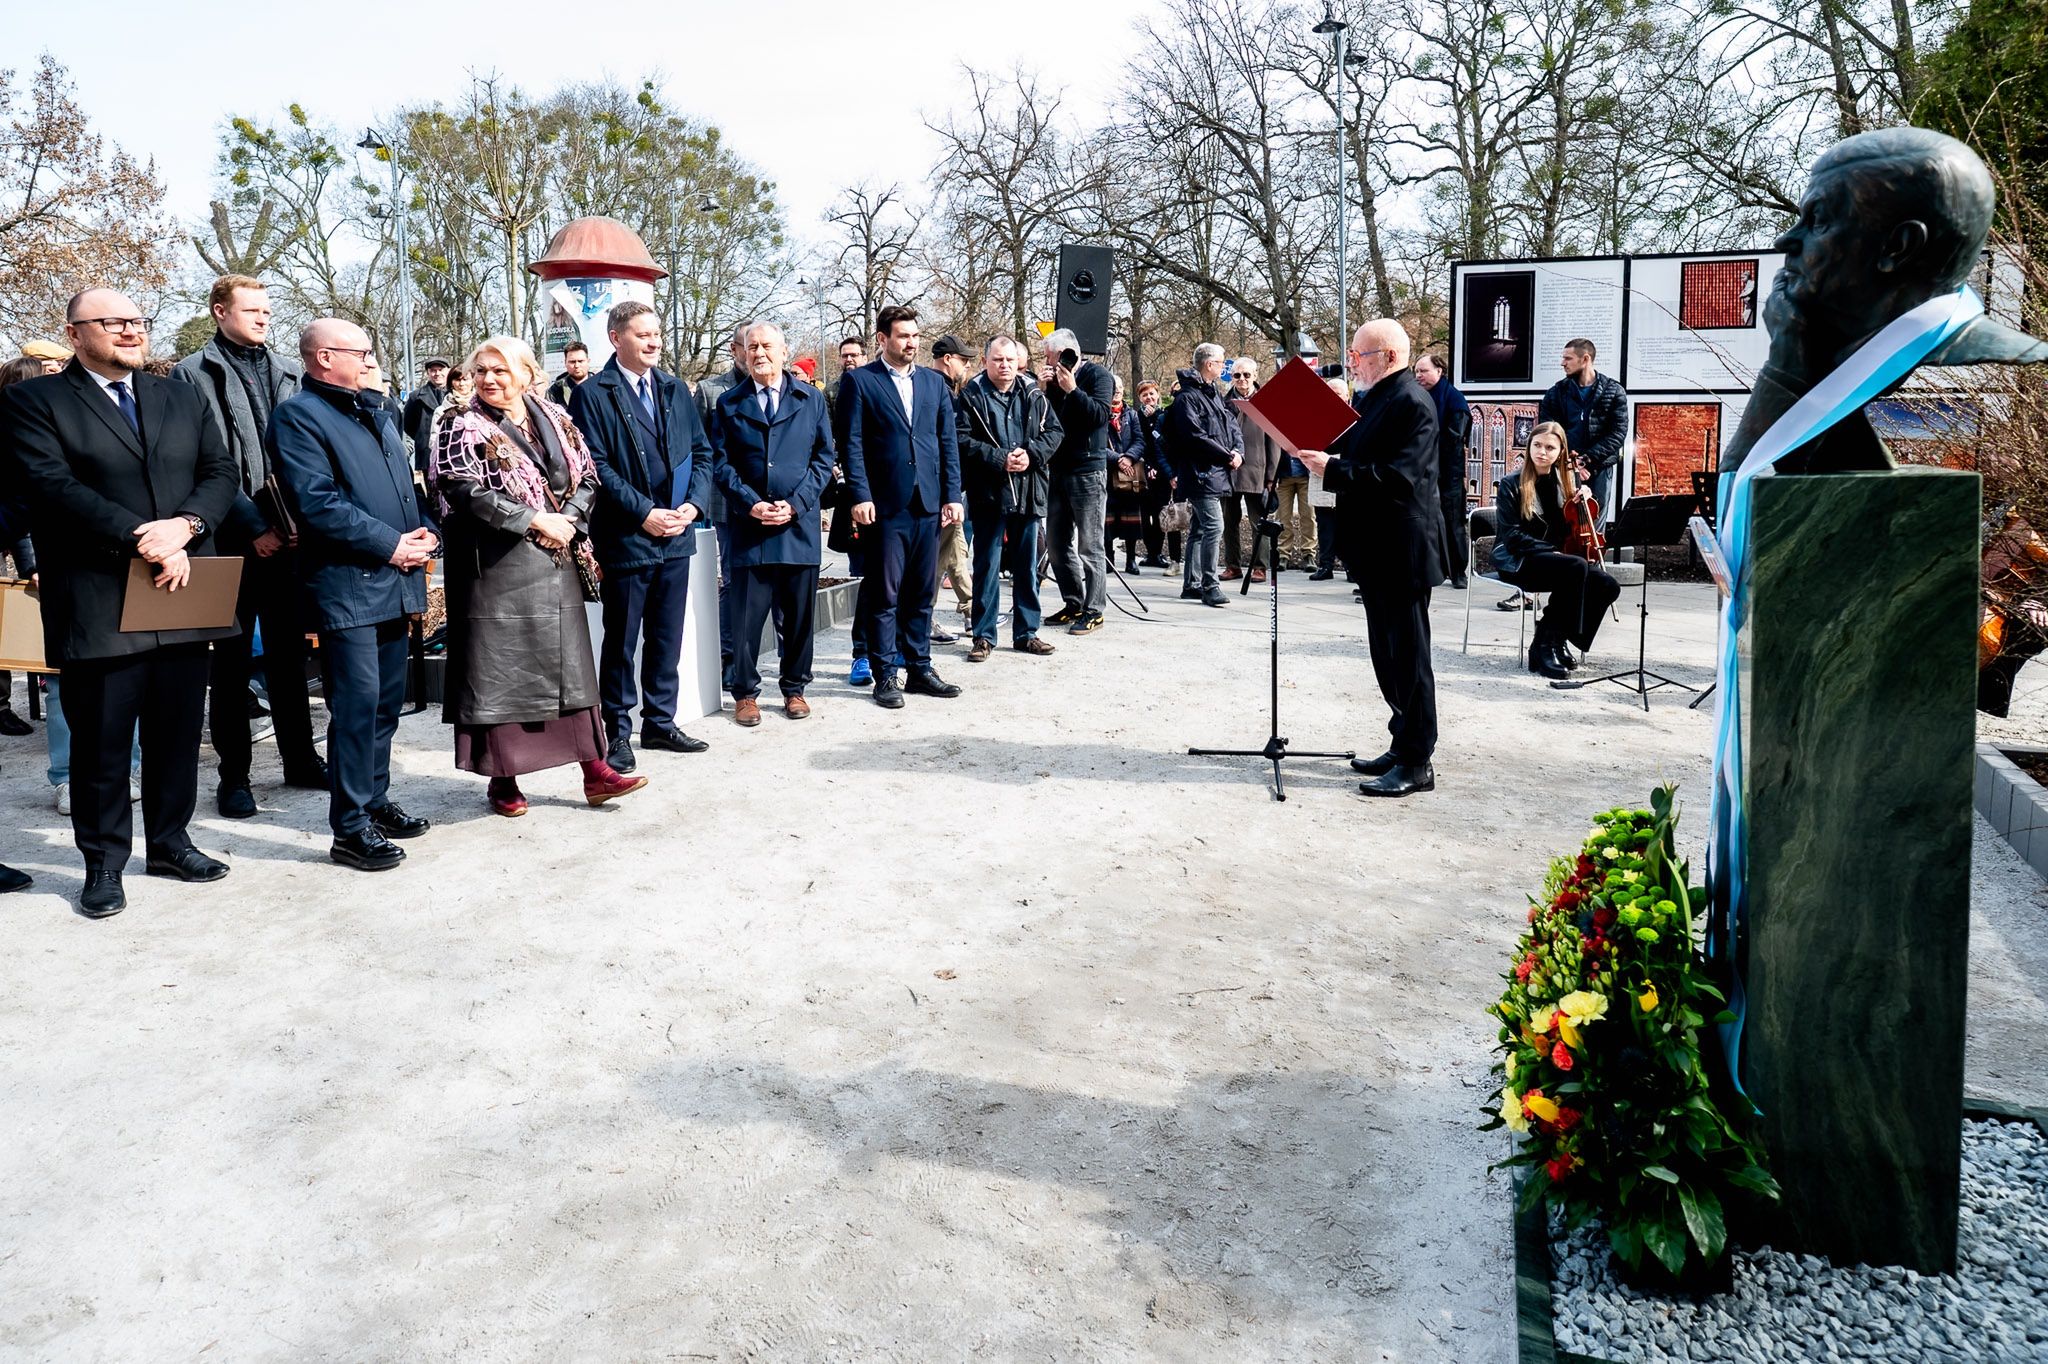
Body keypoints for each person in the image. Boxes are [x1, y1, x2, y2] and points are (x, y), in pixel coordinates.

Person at [0, 288, 242, 917]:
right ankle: (103, 864)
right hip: (99, 594)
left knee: (178, 732)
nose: (131, 331)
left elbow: (220, 473)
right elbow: (51, 487)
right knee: (103, 742)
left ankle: (169, 842)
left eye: (137, 321)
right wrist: (146, 538)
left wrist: (184, 528)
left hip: (183, 585)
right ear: (76, 333)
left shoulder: (178, 394)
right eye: (113, 322)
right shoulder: (34, 401)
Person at [425, 336, 645, 817]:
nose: (489, 379)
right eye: (481, 370)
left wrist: (567, 519)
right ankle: (503, 779)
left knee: (572, 672)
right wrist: (532, 520)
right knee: (500, 676)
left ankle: (595, 770)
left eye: (501, 371)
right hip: (497, 568)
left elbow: (588, 478)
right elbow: (461, 490)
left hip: (555, 559)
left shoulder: (557, 417)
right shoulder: (458, 425)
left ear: (526, 374)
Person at [268, 320, 438, 869]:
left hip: (397, 575)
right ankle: (349, 827)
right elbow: (317, 503)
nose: (370, 360)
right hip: (349, 584)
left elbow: (405, 488)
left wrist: (426, 529)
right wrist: (392, 544)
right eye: (360, 352)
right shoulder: (299, 416)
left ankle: (375, 798)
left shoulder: (377, 412)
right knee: (357, 704)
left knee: (387, 700)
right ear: (323, 357)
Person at [171, 274, 326, 818]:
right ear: (219, 311)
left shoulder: (289, 369)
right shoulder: (192, 374)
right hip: (228, 541)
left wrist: (297, 523)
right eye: (252, 310)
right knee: (232, 664)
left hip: (292, 536)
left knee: (289, 657)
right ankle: (233, 777)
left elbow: (308, 451)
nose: (264, 318)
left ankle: (301, 759)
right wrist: (251, 525)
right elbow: (200, 459)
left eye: (267, 310)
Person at [1298, 319, 1445, 798]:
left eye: (1360, 354)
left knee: (1408, 657)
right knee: (1386, 654)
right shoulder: (1375, 398)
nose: (1353, 361)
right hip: (1377, 551)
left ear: (1389, 355)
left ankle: (1418, 760)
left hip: (1402, 550)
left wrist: (1335, 468)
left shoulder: (1412, 402)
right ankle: (1401, 741)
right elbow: (1360, 448)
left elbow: (1401, 477)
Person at [569, 302, 713, 773]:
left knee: (667, 637)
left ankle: (660, 722)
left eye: (657, 333)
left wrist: (693, 505)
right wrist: (645, 513)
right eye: (642, 334)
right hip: (628, 539)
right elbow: (596, 467)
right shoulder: (593, 394)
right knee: (622, 641)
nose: (654, 342)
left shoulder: (675, 389)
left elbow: (701, 452)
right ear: (616, 339)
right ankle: (618, 731)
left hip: (677, 536)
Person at [706, 322, 837, 723]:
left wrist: (796, 504)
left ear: (783, 352)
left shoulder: (810, 399)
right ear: (742, 353)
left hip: (798, 526)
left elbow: (823, 458)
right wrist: (750, 504)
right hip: (750, 528)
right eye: (752, 346)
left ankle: (794, 688)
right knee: (745, 617)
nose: (759, 353)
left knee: (798, 617)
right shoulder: (728, 404)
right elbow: (720, 463)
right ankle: (745, 693)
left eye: (767, 346)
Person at [839, 305, 964, 708]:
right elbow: (851, 444)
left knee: (920, 591)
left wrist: (952, 495)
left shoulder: (933, 383)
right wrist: (860, 495)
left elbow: (947, 443)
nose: (911, 342)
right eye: (902, 335)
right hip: (885, 504)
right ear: (882, 338)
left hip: (927, 503)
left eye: (914, 335)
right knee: (884, 592)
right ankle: (886, 673)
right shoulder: (860, 382)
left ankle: (920, 667)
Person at [956, 335, 1063, 661]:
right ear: (985, 361)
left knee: (1027, 567)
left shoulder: (1033, 394)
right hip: (989, 493)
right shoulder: (972, 396)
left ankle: (1026, 633)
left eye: (1009, 360)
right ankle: (983, 636)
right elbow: (961, 439)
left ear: (1019, 361)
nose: (1004, 365)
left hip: (1029, 492)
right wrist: (997, 457)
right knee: (986, 565)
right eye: (997, 360)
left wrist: (1031, 455)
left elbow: (1055, 433)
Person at [1491, 421, 1623, 680]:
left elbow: (1570, 530)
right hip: (1518, 560)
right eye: (1537, 445)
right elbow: (1511, 537)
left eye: (1549, 447)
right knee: (1574, 568)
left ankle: (1551, 638)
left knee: (1608, 585)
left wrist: (1582, 502)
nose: (1542, 452)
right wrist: (1553, 551)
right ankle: (1548, 646)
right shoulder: (1511, 484)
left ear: (1561, 451)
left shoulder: (1567, 481)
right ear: (1529, 447)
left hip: (1557, 562)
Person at [1038, 328, 1114, 635]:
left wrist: (1072, 390)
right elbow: (1047, 423)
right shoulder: (1053, 383)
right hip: (1058, 469)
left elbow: (1099, 416)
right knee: (1056, 544)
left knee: (1089, 544)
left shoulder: (1098, 376)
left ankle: (1094, 609)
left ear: (1065, 354)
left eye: (1049, 356)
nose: (1047, 361)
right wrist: (1044, 390)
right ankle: (1074, 602)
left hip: (1088, 470)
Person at [696, 323, 753, 686]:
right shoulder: (710, 390)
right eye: (749, 346)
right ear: (734, 350)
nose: (756, 354)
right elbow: (699, 450)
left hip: (773, 503)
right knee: (734, 581)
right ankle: (729, 660)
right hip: (728, 504)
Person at [1165, 343, 1239, 609]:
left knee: (1199, 529)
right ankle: (1209, 585)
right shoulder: (1187, 397)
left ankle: (1191, 584)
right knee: (1213, 526)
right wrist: (1227, 456)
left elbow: (1230, 423)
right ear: (1209, 364)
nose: (1224, 367)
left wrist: (1236, 450)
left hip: (1215, 471)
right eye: (1221, 363)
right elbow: (1195, 436)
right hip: (1200, 474)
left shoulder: (1213, 393)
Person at [1534, 338, 1627, 516]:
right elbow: (1548, 432)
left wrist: (1586, 460)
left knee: (1595, 522)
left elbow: (1617, 434)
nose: (1563, 363)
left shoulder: (1614, 391)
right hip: (1564, 468)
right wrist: (1570, 462)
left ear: (1585, 359)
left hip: (1599, 468)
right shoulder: (1556, 393)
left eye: (1568, 358)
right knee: (1564, 522)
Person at [927, 333, 976, 640]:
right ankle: (925, 617)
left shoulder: (942, 390)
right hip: (940, 492)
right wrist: (949, 493)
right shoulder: (938, 391)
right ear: (948, 359)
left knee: (955, 552)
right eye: (963, 360)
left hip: (947, 490)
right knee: (937, 557)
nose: (966, 367)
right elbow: (948, 445)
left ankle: (972, 613)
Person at [1413, 354, 1472, 588]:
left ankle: (1458, 572)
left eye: (1423, 371)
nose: (1418, 375)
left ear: (1439, 371)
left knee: (1452, 520)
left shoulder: (1455, 400)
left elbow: (1454, 438)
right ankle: (1433, 568)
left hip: (1448, 473)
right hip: (1423, 470)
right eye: (1416, 371)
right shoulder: (1418, 396)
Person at [1223, 359, 1280, 582]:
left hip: (1258, 470)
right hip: (1229, 471)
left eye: (1246, 375)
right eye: (1237, 375)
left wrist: (1271, 477)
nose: (1242, 380)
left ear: (1255, 375)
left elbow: (1274, 443)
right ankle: (1232, 564)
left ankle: (1260, 566)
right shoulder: (1225, 402)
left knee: (1259, 522)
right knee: (1229, 521)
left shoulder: (1266, 402)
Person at [1104, 377, 1151, 575]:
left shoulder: (1131, 414)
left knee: (1131, 518)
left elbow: (1140, 440)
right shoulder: (1101, 414)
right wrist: (1118, 459)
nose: (1117, 392)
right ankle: (1109, 558)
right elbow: (1097, 444)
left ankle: (1131, 559)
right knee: (1107, 519)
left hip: (1130, 474)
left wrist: (1130, 458)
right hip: (1107, 472)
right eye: (1114, 388)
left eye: (1120, 388)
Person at [1124, 380, 1173, 567]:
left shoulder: (1164, 416)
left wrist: (1158, 467)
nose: (1149, 398)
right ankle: (1149, 551)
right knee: (1144, 515)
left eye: (1152, 394)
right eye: (1145, 395)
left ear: (1158, 395)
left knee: (1160, 514)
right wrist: (1146, 466)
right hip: (1143, 473)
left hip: (1161, 473)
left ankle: (1158, 553)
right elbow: (1139, 442)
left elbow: (1163, 444)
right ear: (1140, 398)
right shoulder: (1137, 417)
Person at [403, 358, 451, 466]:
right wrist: (423, 438)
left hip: (454, 453)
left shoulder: (457, 395)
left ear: (448, 371)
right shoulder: (416, 397)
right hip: (428, 455)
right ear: (428, 373)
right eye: (433, 370)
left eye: (440, 369)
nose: (437, 373)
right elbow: (408, 425)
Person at [546, 342, 591, 408]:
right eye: (572, 362)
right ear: (565, 363)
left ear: (588, 361)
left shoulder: (600, 386)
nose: (577, 365)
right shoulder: (555, 390)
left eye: (580, 361)